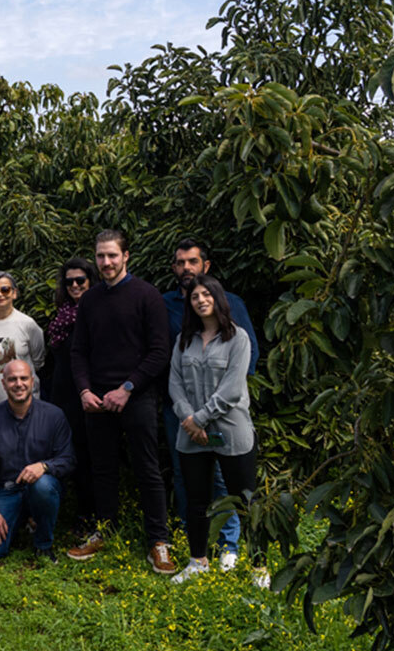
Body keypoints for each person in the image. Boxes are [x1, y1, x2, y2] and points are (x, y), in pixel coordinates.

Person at [66, 230, 176, 575]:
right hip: (97, 399)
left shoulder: (147, 295)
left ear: (126, 256)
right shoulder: (91, 300)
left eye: (112, 255)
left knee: (147, 469)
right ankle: (106, 529)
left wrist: (128, 387)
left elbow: (160, 352)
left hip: (137, 396)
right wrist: (84, 390)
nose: (106, 262)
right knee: (102, 469)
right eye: (100, 256)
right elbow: (79, 351)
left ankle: (159, 541)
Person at [162, 238, 259, 569]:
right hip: (190, 432)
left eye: (206, 295)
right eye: (195, 297)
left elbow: (233, 388)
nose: (201, 300)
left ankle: (255, 564)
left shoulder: (237, 336)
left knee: (243, 499)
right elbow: (174, 382)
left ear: (218, 298)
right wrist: (188, 419)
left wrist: (199, 419)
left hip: (230, 430)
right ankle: (198, 561)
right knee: (196, 497)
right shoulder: (183, 340)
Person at [0, 360, 75, 561]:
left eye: (23, 378)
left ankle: (43, 545)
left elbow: (68, 459)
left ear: (32, 380)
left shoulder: (54, 415)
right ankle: (20, 521)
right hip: (6, 490)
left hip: (42, 488)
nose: (18, 384)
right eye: (12, 379)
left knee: (43, 485)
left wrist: (44, 466)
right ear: (3, 384)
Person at [44, 257, 98, 537]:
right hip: (61, 394)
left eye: (81, 280)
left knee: (86, 458)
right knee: (63, 453)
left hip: (86, 395)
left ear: (91, 281)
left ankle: (89, 516)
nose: (75, 285)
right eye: (70, 282)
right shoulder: (63, 313)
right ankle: (59, 515)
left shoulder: (98, 312)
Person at [0, 271, 45, 406]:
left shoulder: (28, 324)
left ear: (14, 293)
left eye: (5, 290)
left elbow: (38, 362)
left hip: (27, 404)